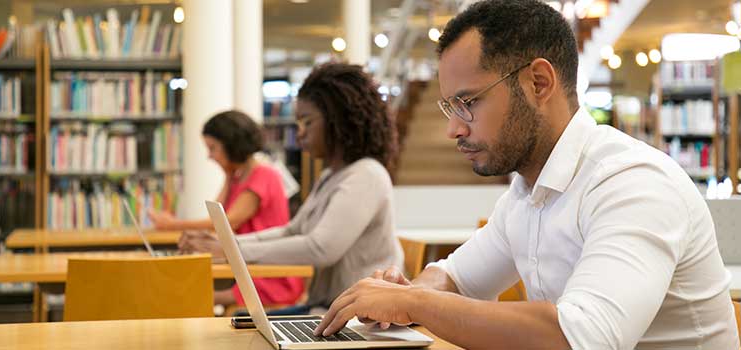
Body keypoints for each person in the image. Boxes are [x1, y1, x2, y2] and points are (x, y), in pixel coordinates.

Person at [314, 1, 740, 349]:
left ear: (538, 82)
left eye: (468, 102)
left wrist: (414, 303)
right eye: (450, 107)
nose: (454, 129)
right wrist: (403, 293)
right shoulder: (526, 193)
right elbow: (457, 279)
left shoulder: (632, 182)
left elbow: (581, 337)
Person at [179, 62, 404, 313]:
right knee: (238, 323)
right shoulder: (332, 175)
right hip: (327, 308)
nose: (300, 134)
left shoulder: (366, 175)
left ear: (337, 120)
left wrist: (231, 248)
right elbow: (292, 230)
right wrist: (228, 242)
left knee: (237, 328)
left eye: (307, 122)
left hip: (355, 318)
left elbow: (320, 249)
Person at [149, 110, 304, 307]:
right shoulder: (237, 177)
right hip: (249, 268)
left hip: (270, 276)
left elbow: (228, 221)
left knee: (187, 294)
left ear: (231, 146)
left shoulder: (264, 175)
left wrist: (172, 225)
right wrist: (228, 174)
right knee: (185, 289)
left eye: (213, 148)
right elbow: (216, 217)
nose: (210, 156)